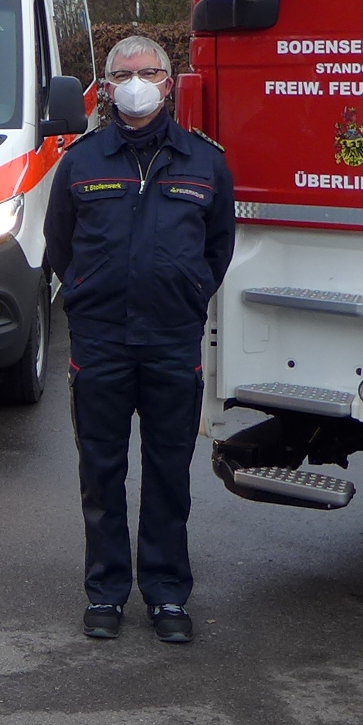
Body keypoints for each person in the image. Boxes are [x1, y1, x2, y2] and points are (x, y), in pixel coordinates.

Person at [42, 35, 234, 644]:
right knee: (100, 471)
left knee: (168, 472)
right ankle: (105, 592)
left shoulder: (205, 161)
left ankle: (167, 595)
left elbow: (218, 247)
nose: (134, 82)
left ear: (168, 82)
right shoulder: (82, 160)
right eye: (122, 72)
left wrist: (188, 292)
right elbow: (59, 244)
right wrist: (83, 294)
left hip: (172, 340)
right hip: (100, 341)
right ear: (107, 83)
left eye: (146, 71)